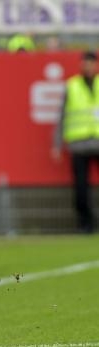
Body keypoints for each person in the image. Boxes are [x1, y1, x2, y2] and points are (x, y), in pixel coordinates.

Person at [52, 51, 99, 234]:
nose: (88, 66)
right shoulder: (72, 86)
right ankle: (85, 224)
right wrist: (56, 144)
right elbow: (61, 117)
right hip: (79, 144)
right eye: (85, 63)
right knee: (80, 189)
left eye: (91, 63)